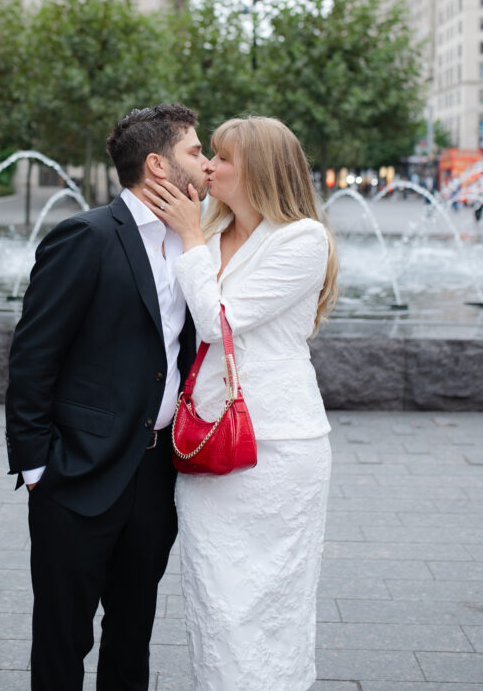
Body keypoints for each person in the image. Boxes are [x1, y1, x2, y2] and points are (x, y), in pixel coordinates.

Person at [5, 103, 209, 691]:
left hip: (156, 472)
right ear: (157, 165)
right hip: (78, 474)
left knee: (133, 630)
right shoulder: (86, 237)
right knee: (64, 637)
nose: (207, 160)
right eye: (195, 150)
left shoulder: (195, 244)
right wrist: (39, 465)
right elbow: (33, 356)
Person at [142, 116, 338, 691]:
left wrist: (191, 240)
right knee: (216, 604)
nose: (207, 166)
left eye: (221, 157)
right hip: (205, 439)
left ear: (257, 170)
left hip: (278, 446)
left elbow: (217, 321)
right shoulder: (210, 225)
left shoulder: (302, 239)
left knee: (270, 601)